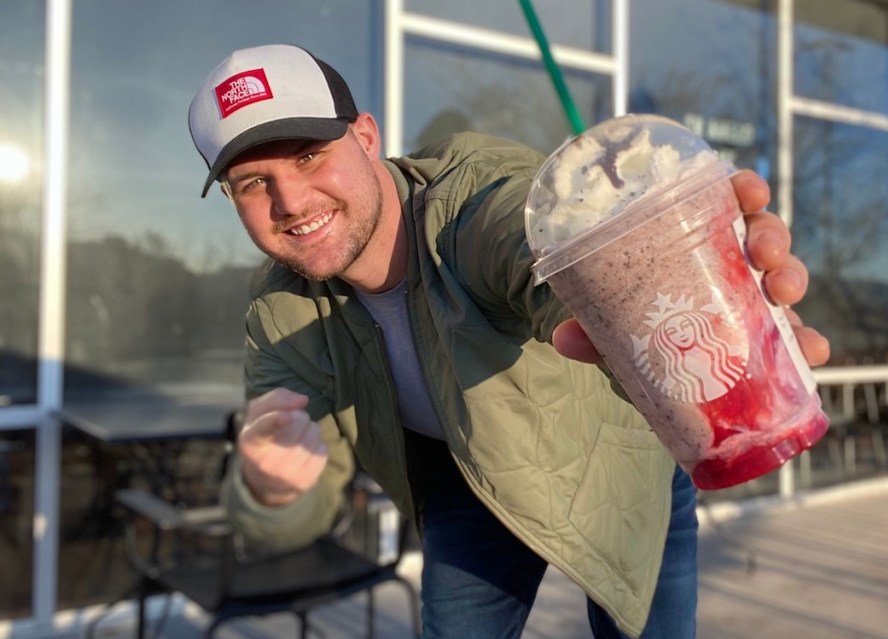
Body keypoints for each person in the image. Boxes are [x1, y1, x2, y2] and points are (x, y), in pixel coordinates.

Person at [187, 44, 829, 639]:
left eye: (308, 155)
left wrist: (681, 310)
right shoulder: (279, 312)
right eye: (251, 183)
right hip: (466, 486)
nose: (290, 200)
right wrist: (270, 489)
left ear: (366, 137)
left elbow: (537, 252)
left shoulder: (474, 203)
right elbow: (295, 502)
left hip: (617, 467)